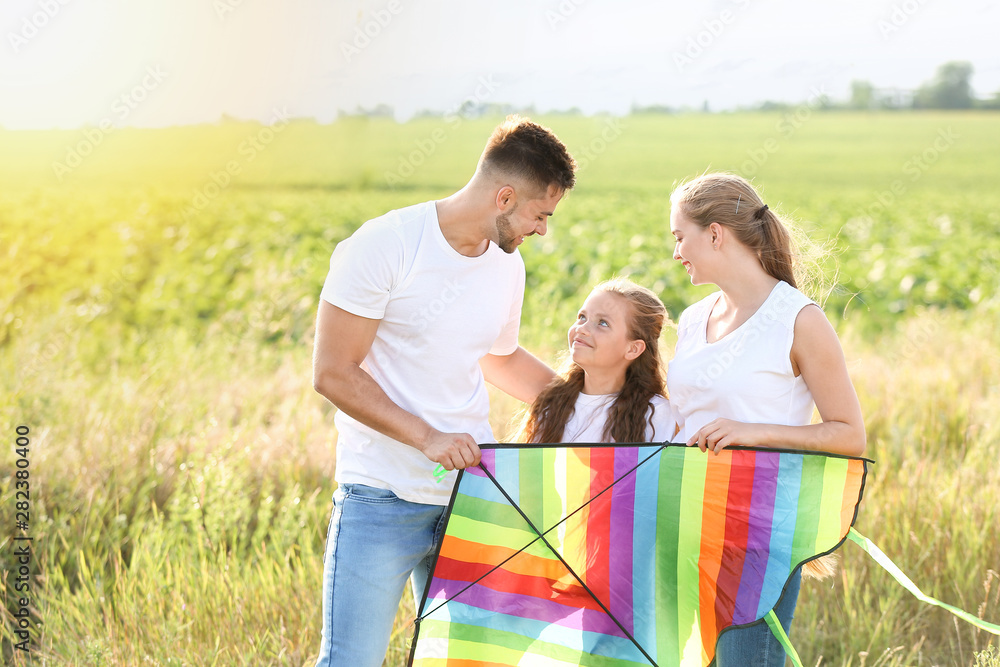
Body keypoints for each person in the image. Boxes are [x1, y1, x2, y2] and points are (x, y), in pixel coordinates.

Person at [311, 115, 576, 667]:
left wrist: (592, 405)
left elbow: (498, 358)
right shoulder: (385, 245)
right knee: (350, 660)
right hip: (380, 496)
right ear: (505, 196)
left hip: (469, 496)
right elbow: (334, 371)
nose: (543, 230)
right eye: (540, 214)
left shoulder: (506, 266)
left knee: (473, 660)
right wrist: (426, 436)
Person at [665, 172, 866, 666]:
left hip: (759, 528)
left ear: (715, 233)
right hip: (683, 518)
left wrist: (752, 433)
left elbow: (849, 434)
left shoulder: (799, 319)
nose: (676, 253)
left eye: (679, 236)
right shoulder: (693, 319)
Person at [517, 277, 673, 444]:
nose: (582, 328)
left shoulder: (656, 414)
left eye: (603, 323)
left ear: (633, 349)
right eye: (582, 317)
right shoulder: (552, 405)